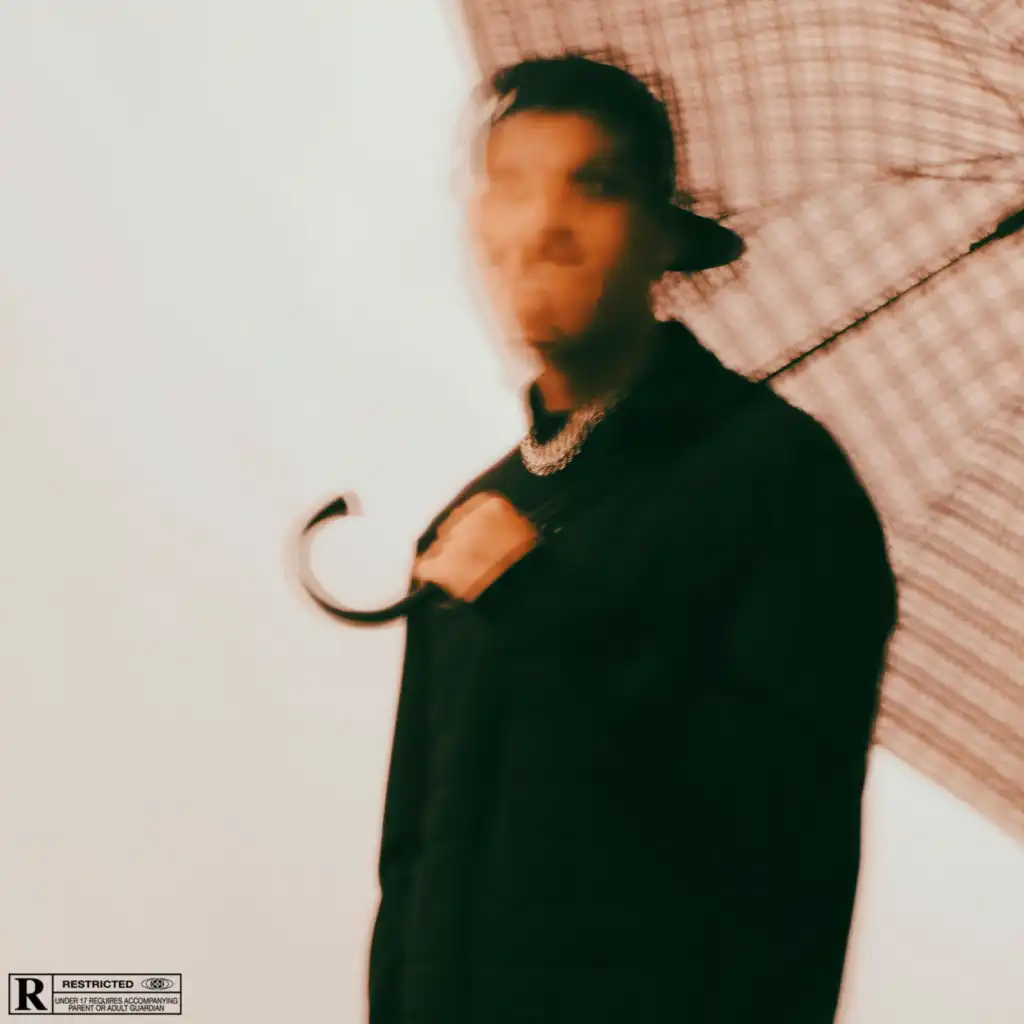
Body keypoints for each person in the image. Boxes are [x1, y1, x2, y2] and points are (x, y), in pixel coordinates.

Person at [367, 53, 899, 1024]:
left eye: (594, 186)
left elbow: (782, 825)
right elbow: (411, 864)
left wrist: (538, 602)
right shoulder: (470, 522)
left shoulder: (779, 480)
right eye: (510, 185)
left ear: (664, 234)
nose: (542, 225)